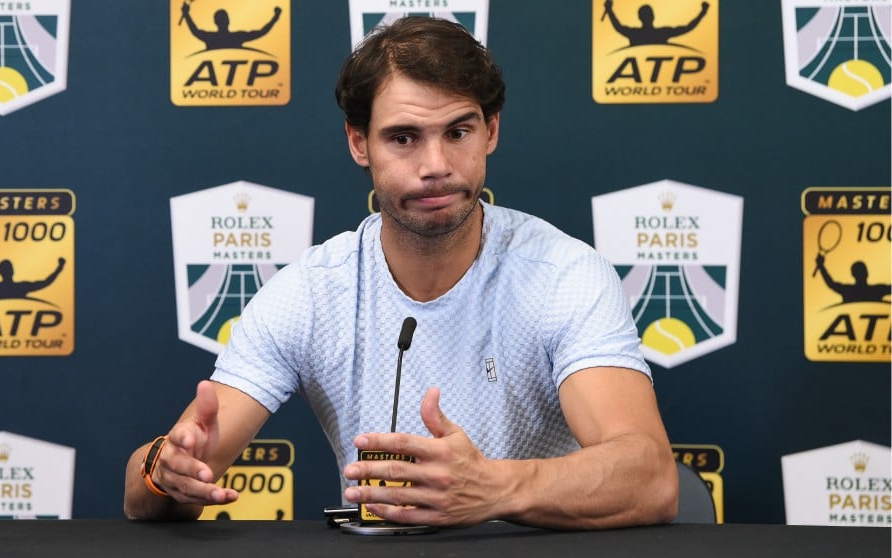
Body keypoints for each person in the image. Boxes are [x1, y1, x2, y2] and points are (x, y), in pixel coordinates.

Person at [124, 16, 678, 529]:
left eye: (458, 132)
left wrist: (496, 489)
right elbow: (146, 491)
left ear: (491, 132)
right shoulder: (312, 292)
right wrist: (164, 472)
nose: (435, 165)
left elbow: (651, 477)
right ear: (359, 143)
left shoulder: (563, 275)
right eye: (404, 137)